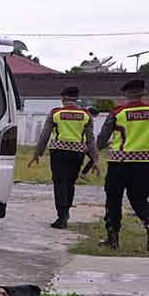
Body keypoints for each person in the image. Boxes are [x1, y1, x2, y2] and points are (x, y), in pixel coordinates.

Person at [95, 78, 149, 251]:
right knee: (139, 198)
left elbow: (101, 141)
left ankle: (113, 239)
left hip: (120, 163)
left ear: (125, 93)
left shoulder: (118, 112)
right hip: (146, 163)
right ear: (143, 93)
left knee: (113, 200)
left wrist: (105, 144)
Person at [29, 87, 99, 229]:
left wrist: (38, 153)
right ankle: (66, 212)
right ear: (77, 98)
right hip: (77, 153)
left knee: (59, 182)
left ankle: (61, 216)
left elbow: (45, 135)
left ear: (63, 98)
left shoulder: (56, 113)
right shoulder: (86, 115)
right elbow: (90, 139)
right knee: (70, 183)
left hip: (58, 152)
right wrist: (95, 159)